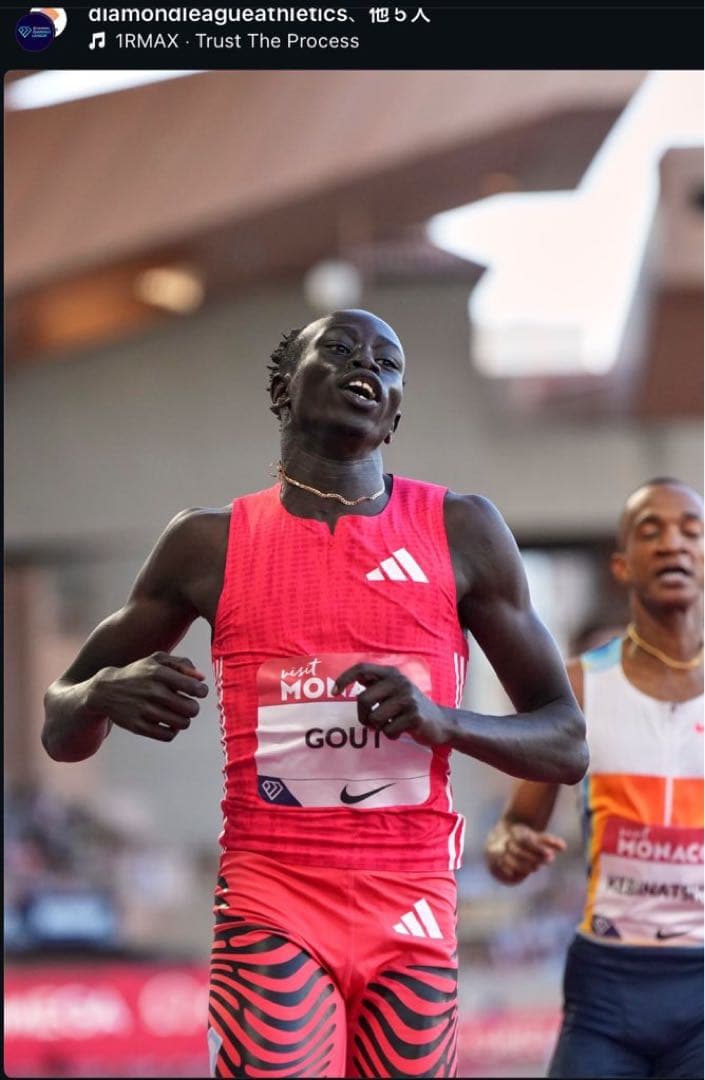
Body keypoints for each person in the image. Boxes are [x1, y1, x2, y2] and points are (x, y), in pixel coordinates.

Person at [42, 308, 588, 1079]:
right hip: (273, 899)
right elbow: (59, 723)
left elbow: (565, 742)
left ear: (394, 413)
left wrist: (444, 722)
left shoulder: (460, 530)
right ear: (283, 386)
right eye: (338, 349)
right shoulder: (207, 543)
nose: (367, 365)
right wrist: (102, 691)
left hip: (413, 902)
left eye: (388, 363)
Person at [484, 477, 704, 1080]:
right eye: (651, 531)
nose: (672, 544)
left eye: (690, 531)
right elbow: (511, 829)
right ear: (622, 564)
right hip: (608, 989)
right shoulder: (578, 686)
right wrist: (509, 848)